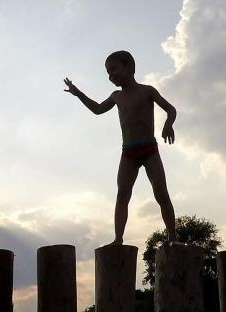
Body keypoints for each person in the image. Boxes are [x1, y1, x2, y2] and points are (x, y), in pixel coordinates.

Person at [64, 50, 178, 245]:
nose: (111, 75)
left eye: (114, 69)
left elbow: (171, 109)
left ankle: (173, 237)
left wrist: (168, 124)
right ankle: (118, 239)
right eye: (108, 73)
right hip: (129, 152)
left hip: (149, 149)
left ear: (130, 67)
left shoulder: (147, 91)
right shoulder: (116, 96)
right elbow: (98, 109)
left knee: (161, 193)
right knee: (122, 195)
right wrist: (78, 94)